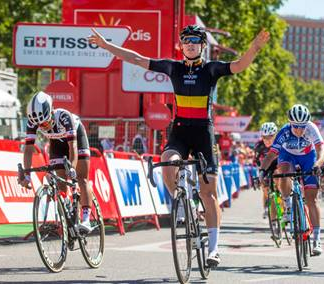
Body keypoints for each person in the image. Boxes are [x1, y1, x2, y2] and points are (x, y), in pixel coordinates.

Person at [88, 25, 270, 267]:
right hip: (181, 131)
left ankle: (213, 250)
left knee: (209, 193)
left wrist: (254, 49)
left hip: (204, 133)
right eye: (187, 41)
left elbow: (237, 66)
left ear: (202, 46)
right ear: (182, 46)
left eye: (196, 41)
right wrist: (107, 46)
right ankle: (183, 202)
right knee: (168, 164)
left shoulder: (210, 69)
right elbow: (136, 58)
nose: (191, 44)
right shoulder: (173, 67)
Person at [19, 91, 93, 232]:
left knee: (81, 177)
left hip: (76, 139)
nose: (43, 127)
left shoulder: (65, 117)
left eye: (45, 122)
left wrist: (72, 168)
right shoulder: (33, 121)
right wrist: (27, 174)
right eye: (40, 125)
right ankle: (67, 211)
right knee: (60, 182)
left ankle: (86, 218)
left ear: (52, 112)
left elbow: (73, 148)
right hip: (57, 144)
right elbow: (28, 149)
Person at [260, 104, 324, 255]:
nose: (299, 129)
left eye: (302, 126)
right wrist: (262, 171)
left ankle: (317, 238)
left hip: (308, 158)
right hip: (288, 156)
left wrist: (317, 164)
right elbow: (271, 155)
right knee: (284, 172)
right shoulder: (283, 132)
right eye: (296, 126)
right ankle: (287, 202)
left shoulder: (312, 128)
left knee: (312, 199)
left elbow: (322, 150)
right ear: (290, 123)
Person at [253, 122, 278, 219]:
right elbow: (256, 161)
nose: (267, 140)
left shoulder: (279, 144)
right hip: (265, 167)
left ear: (275, 135)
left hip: (278, 166)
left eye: (270, 137)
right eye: (264, 137)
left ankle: (285, 203)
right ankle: (266, 208)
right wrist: (260, 176)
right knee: (265, 188)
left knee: (279, 180)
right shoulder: (259, 145)